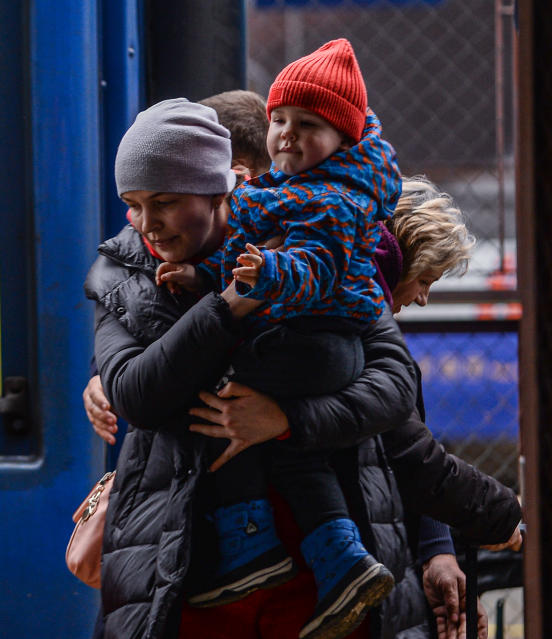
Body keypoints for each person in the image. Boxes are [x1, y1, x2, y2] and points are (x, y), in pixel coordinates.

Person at [84, 102, 521, 638]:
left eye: (166, 203)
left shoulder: (310, 248)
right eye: (132, 205)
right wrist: (224, 307)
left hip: (322, 587)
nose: (148, 223)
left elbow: (395, 391)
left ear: (225, 189)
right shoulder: (120, 272)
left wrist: (288, 418)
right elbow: (136, 393)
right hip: (186, 576)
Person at [154, 40, 404, 632]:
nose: (288, 134)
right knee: (293, 450)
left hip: (321, 339)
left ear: (342, 139)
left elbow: (314, 269)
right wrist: (203, 274)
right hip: (298, 334)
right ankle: (338, 560)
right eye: (280, 120)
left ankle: (250, 541)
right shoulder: (275, 193)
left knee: (219, 394)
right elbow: (241, 257)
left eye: (308, 124)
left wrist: (269, 273)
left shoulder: (337, 200)